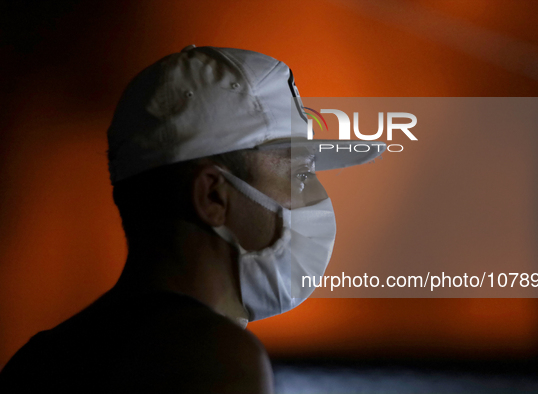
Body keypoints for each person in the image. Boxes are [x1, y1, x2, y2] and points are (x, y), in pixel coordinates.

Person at [0, 45, 383, 393]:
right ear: (212, 196)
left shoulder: (39, 360)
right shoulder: (214, 359)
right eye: (298, 176)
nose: (315, 201)